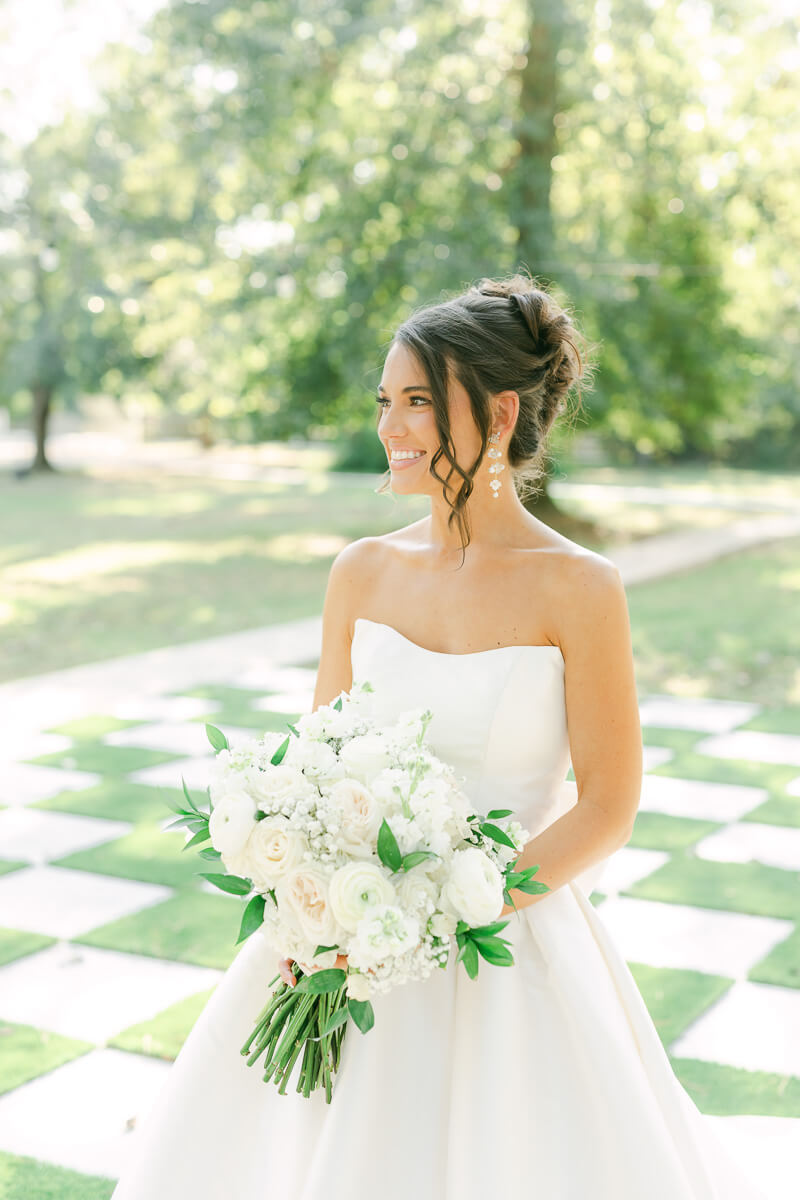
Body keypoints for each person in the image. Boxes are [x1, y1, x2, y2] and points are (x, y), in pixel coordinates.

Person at [111, 271, 769, 1199]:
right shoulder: (361, 573)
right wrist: (322, 898)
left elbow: (611, 806)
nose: (390, 427)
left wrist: (453, 908)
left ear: (499, 414)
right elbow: (318, 760)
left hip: (506, 946)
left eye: (418, 401)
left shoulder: (581, 588)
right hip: (343, 936)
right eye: (386, 401)